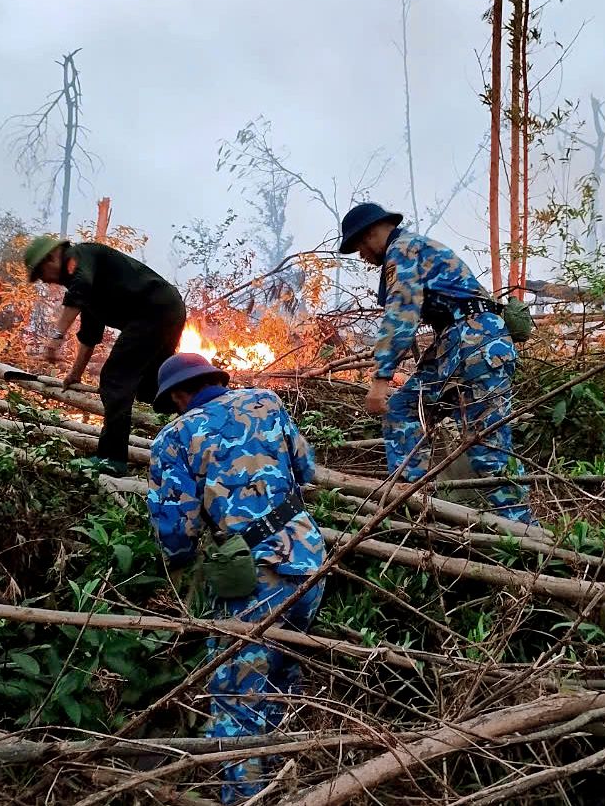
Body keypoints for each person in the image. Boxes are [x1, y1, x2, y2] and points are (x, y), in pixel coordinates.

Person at [146, 353, 324, 804]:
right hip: (308, 556)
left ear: (178, 395)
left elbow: (176, 528)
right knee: (282, 677)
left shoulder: (175, 436)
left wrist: (183, 558)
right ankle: (289, 778)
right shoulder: (267, 401)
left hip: (255, 574)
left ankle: (242, 796)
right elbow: (308, 470)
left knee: (234, 698)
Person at [337, 201, 535, 524]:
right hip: (457, 344)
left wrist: (381, 378)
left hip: (475, 345)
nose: (361, 256)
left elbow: (402, 312)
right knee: (402, 408)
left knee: (489, 452)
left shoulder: (401, 250)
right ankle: (416, 503)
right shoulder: (411, 249)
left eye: (359, 246)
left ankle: (526, 535)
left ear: (372, 233)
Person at [24, 236, 186, 476]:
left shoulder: (81, 256)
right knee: (151, 386)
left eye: (41, 273)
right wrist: (75, 373)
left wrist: (56, 336)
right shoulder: (88, 285)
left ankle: (112, 459)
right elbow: (90, 335)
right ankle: (200, 425)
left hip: (155, 310)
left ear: (51, 258)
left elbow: (80, 287)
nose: (46, 281)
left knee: (114, 378)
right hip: (167, 308)